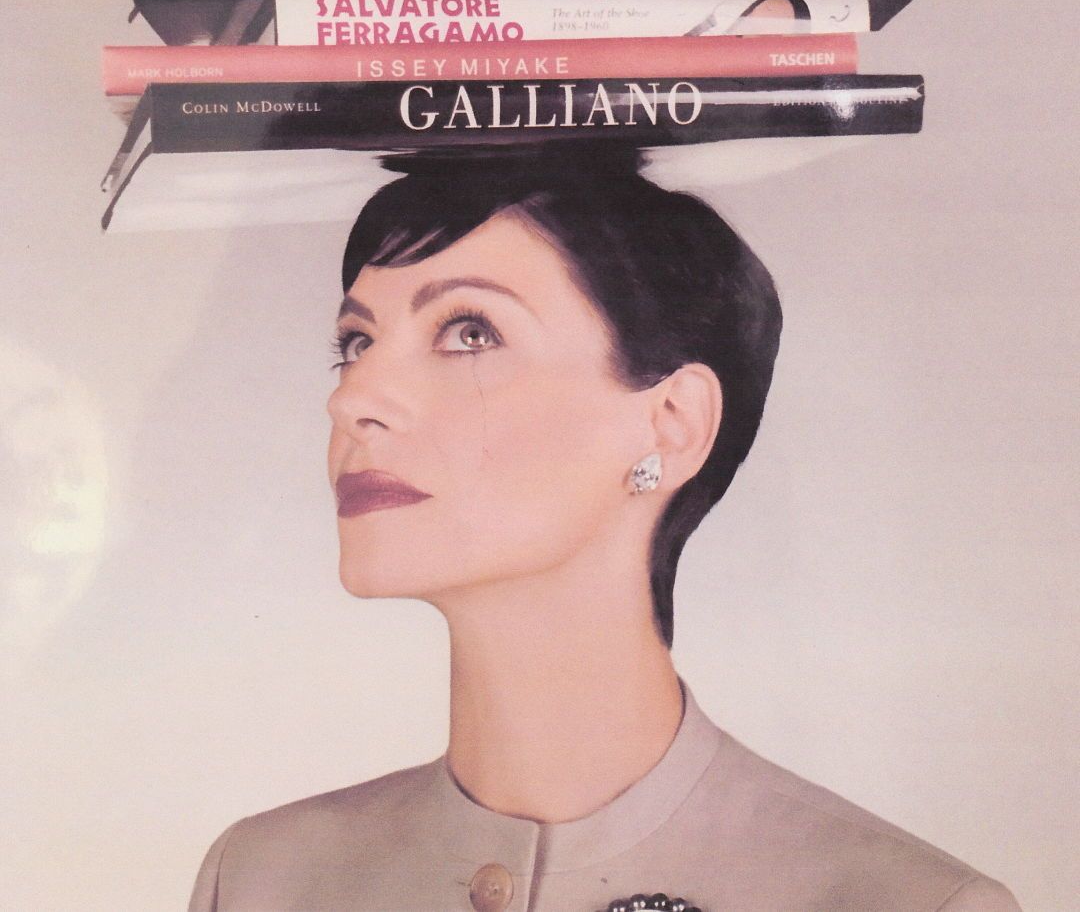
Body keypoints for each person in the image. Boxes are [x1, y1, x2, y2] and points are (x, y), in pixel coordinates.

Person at [189, 154, 1021, 912]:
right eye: (356, 342)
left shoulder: (908, 902)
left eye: (470, 332)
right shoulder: (261, 880)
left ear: (671, 422)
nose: (353, 397)